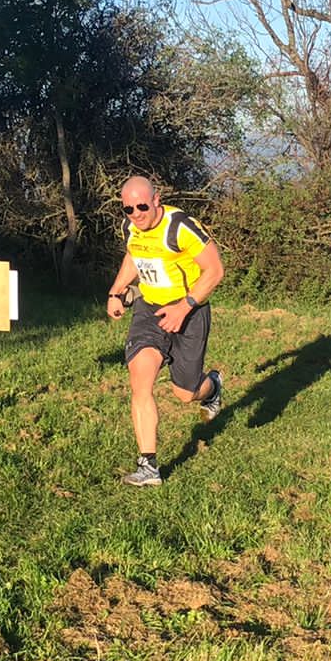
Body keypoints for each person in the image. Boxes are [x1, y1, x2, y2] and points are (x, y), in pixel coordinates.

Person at [106, 175, 225, 486]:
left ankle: (212, 387)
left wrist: (183, 307)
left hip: (190, 311)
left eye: (142, 207)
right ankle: (148, 466)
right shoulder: (130, 227)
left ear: (156, 200)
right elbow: (134, 256)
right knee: (140, 379)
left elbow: (215, 270)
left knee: (185, 393)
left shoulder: (181, 227)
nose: (136, 214)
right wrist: (116, 291)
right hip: (149, 309)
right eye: (128, 209)